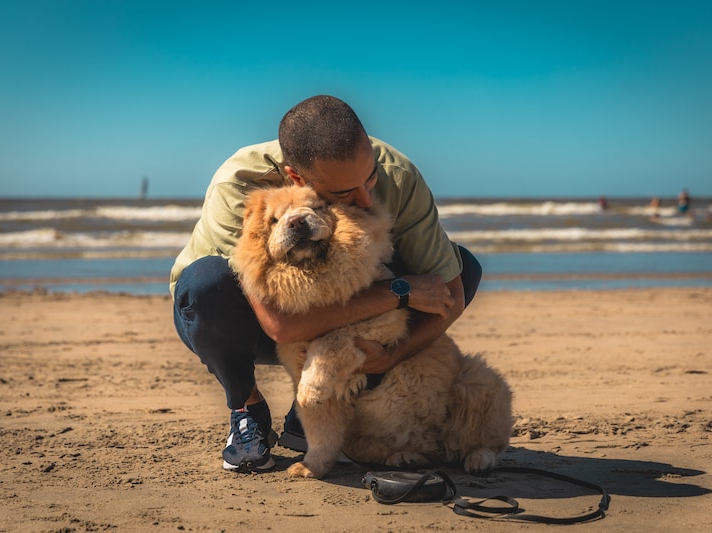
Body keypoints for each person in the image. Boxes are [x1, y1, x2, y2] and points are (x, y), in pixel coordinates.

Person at [170, 95, 482, 473]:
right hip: (240, 325)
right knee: (206, 285)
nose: (366, 198)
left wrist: (391, 355)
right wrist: (399, 292)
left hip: (342, 309)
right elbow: (281, 328)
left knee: (465, 266)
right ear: (297, 178)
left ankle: (319, 407)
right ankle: (246, 407)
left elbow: (452, 291)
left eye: (370, 179)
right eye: (343, 194)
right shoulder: (237, 186)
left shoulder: (397, 174)